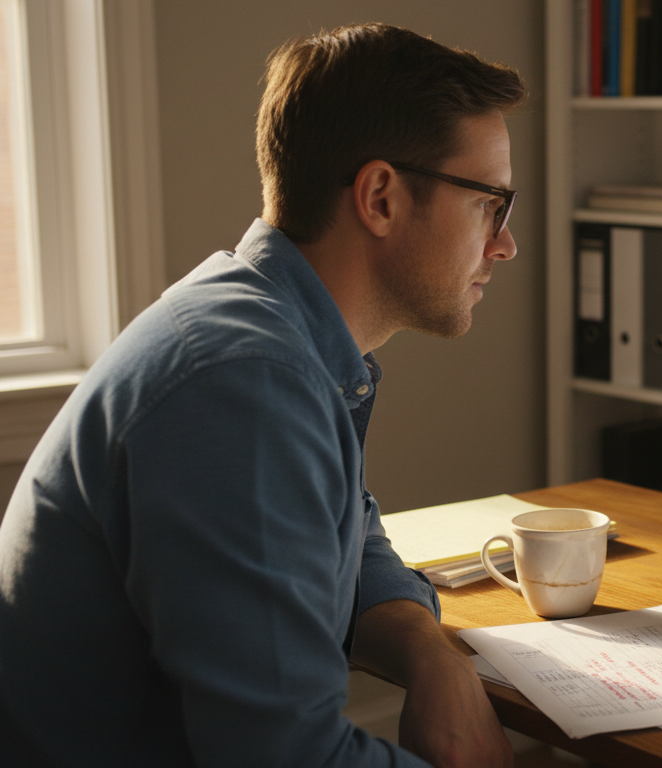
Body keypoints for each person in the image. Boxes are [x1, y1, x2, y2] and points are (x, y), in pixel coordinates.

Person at [0, 23, 523, 767]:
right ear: (380, 197)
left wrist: (424, 649)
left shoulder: (266, 329)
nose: (505, 243)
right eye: (490, 204)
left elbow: (347, 529)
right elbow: (287, 757)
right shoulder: (242, 381)